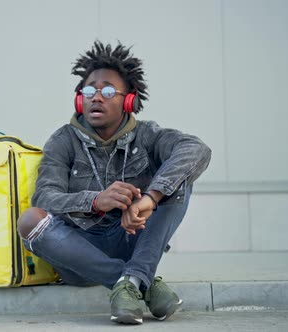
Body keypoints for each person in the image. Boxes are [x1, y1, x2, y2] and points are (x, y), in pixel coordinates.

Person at [17, 41, 211, 325]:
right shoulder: (63, 141)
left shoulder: (147, 136)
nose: (97, 97)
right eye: (89, 90)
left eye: (108, 90)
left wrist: (149, 199)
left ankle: (132, 279)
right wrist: (94, 201)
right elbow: (45, 198)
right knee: (29, 220)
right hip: (79, 254)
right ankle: (135, 281)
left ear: (129, 100)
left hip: (133, 240)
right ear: (79, 99)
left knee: (179, 180)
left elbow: (197, 150)